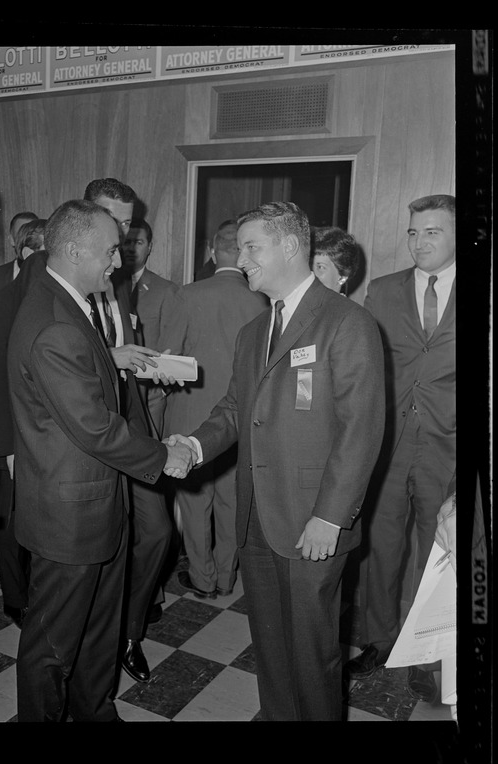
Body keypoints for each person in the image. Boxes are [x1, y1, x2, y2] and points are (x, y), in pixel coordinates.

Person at [168, 200, 385, 720]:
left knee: (312, 653)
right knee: (271, 646)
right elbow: (235, 410)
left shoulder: (346, 322)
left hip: (313, 520)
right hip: (259, 519)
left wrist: (330, 517)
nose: (240, 258)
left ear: (290, 247)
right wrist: (194, 446)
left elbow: (361, 430)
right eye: (240, 247)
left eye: (251, 246)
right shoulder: (253, 331)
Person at [7, 199, 192, 721]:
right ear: (72, 250)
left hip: (95, 504)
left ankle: (95, 709)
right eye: (110, 250)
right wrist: (163, 457)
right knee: (52, 647)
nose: (118, 261)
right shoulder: (53, 321)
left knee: (97, 631)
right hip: (70, 517)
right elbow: (92, 425)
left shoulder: (64, 301)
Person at [344, 195, 456, 703]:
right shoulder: (383, 291)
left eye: (431, 232)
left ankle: (428, 650)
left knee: (439, 552)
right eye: (413, 233)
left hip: (447, 446)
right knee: (381, 547)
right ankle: (378, 638)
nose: (419, 242)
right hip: (389, 444)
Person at [84, 179, 177, 684]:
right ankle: (98, 638)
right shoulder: (48, 272)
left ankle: (128, 634)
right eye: (113, 219)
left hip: (130, 422)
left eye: (127, 221)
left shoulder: (116, 277)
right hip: (84, 433)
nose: (122, 232)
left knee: (158, 531)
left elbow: (117, 343)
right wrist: (109, 357)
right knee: (101, 545)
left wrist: (141, 364)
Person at [160, 219, 268, 598]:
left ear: (210, 250)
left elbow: (168, 361)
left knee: (193, 503)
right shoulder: (263, 298)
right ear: (240, 254)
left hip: (192, 417)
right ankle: (226, 575)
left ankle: (202, 578)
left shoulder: (186, 294)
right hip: (241, 418)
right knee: (232, 500)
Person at [121, 217, 180, 438]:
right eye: (126, 242)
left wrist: (161, 391)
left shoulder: (166, 291)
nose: (131, 248)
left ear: (150, 247)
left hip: (149, 397)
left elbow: (174, 344)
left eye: (138, 242)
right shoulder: (103, 288)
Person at [0, 210, 38, 299]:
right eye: (20, 235)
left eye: (30, 236)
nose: (26, 241)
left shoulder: (52, 273)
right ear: (12, 240)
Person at [310, 226, 360, 294]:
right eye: (309, 265)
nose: (311, 273)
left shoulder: (344, 305)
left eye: (320, 267)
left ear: (342, 278)